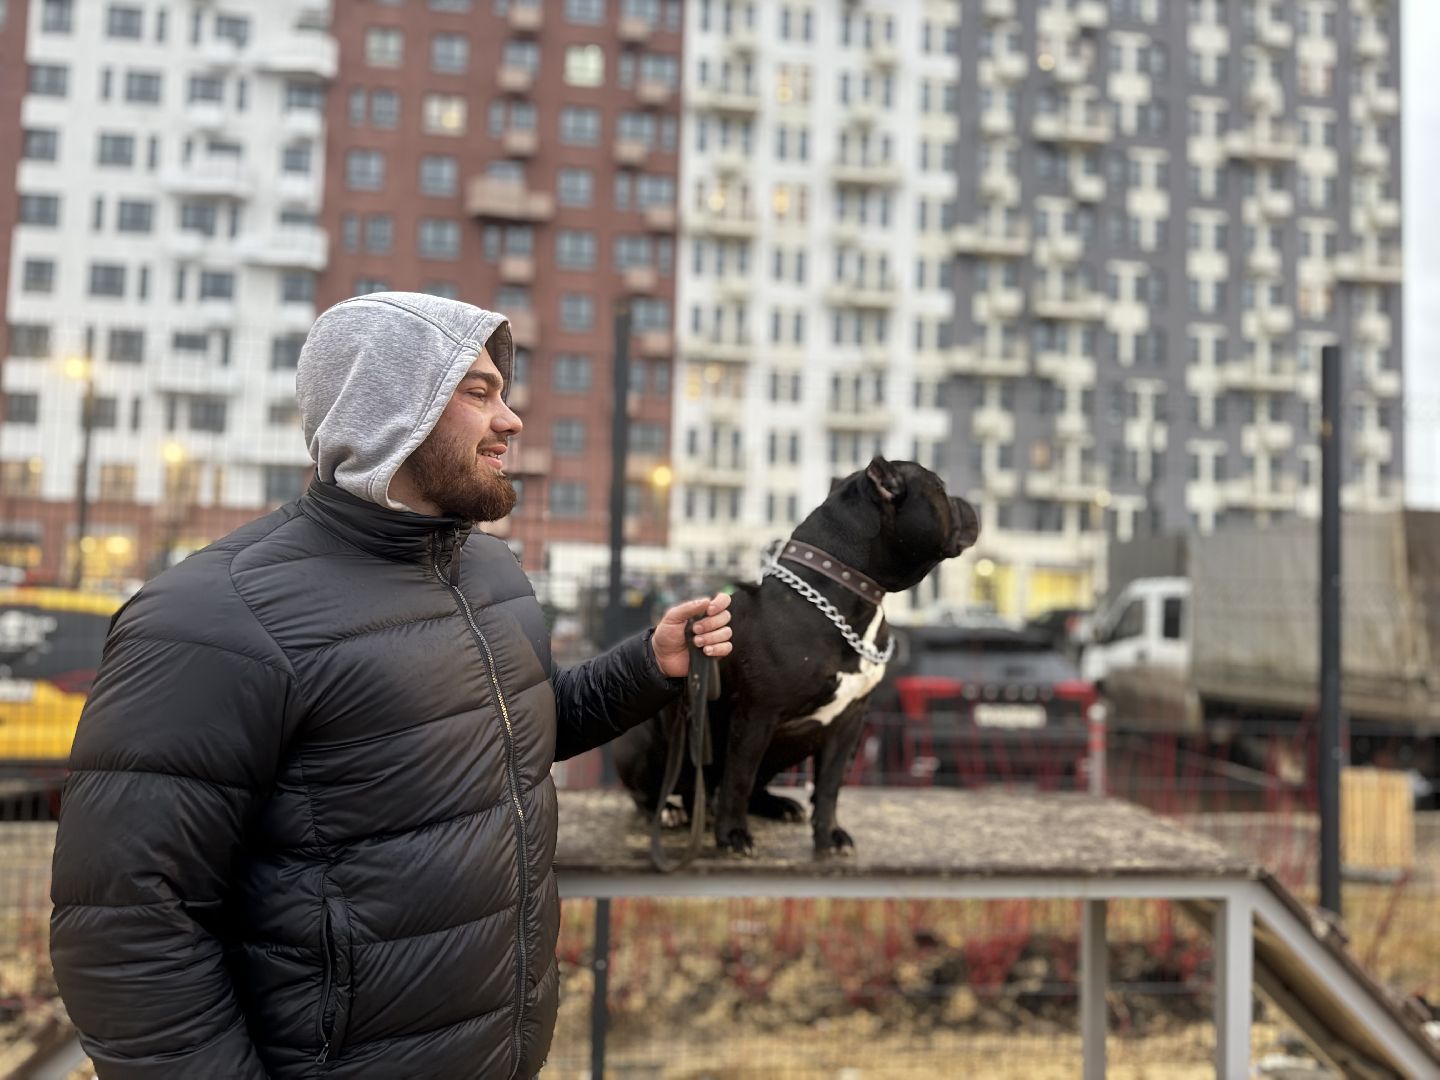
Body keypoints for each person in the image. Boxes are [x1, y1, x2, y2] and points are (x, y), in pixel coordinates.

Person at [49, 292, 734, 1079]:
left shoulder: (490, 572)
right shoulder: (212, 617)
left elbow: (504, 735)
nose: (510, 420)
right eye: (477, 393)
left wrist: (649, 664)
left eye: (501, 393)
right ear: (390, 409)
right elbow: (126, 928)